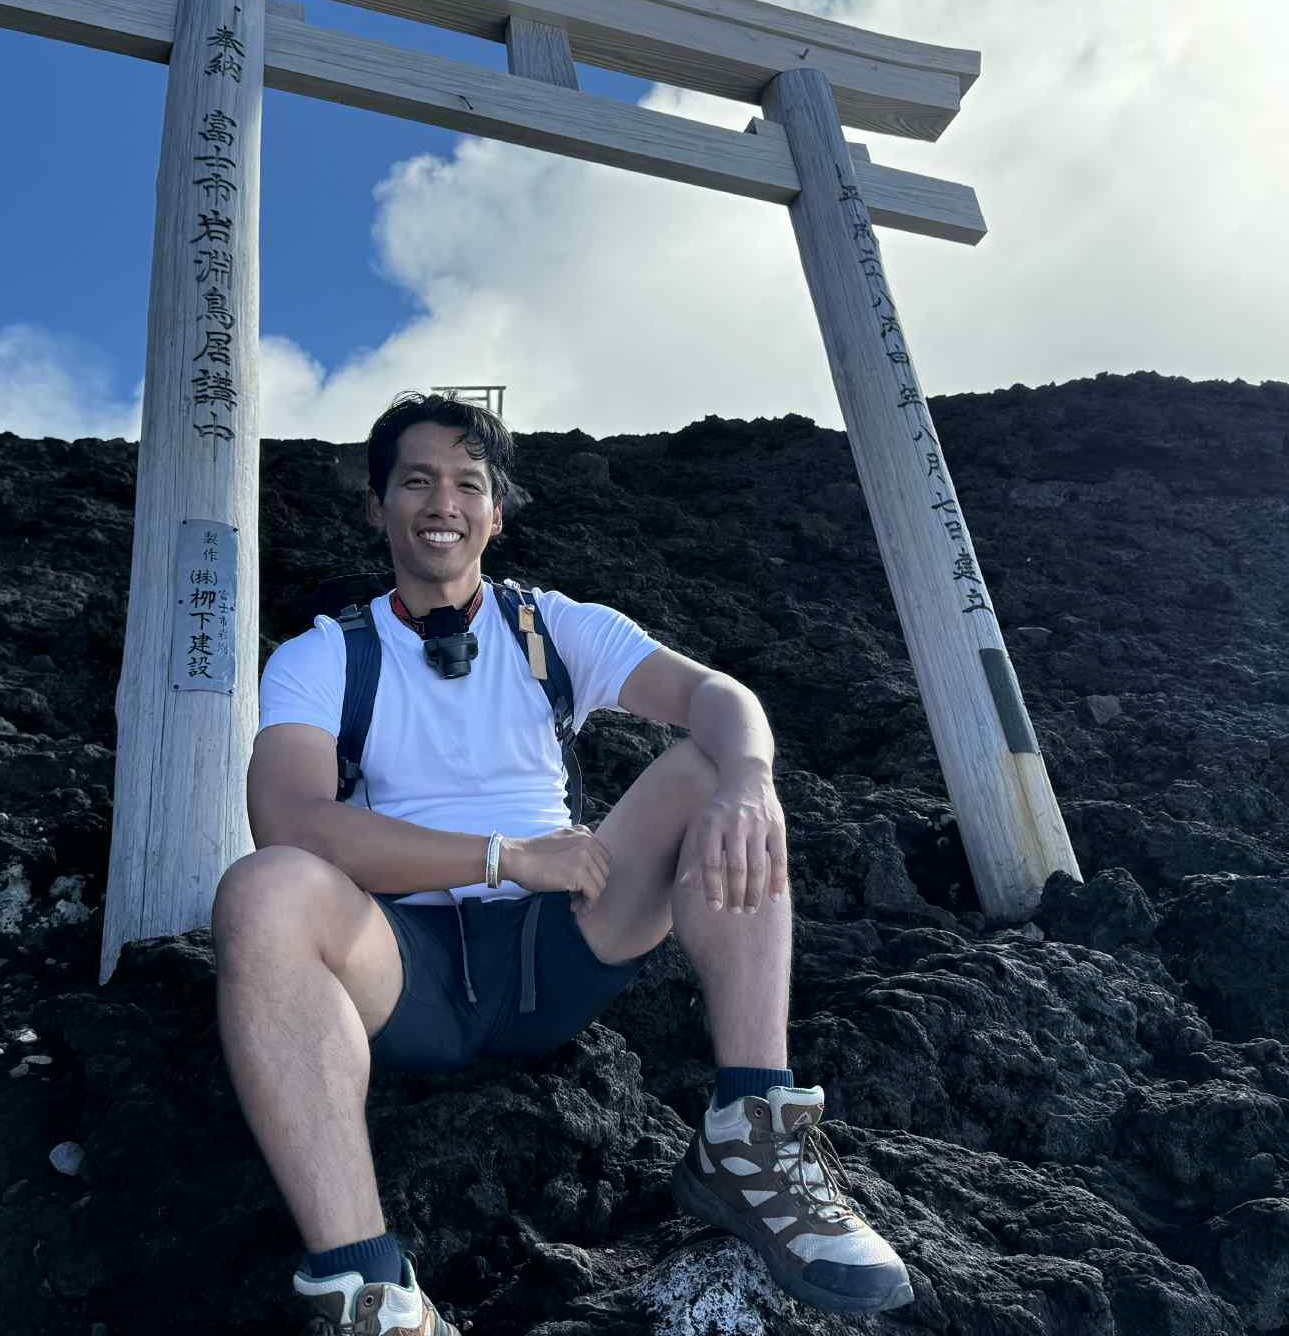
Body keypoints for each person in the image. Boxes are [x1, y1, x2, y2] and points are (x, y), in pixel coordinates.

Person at [213, 392, 912, 1332]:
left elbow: (717, 695)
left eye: (468, 483)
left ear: (497, 513)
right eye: (415, 481)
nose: (442, 503)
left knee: (715, 770)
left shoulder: (552, 628)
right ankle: (368, 1289)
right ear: (378, 504)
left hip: (562, 952)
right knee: (263, 890)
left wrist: (752, 781)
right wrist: (504, 858)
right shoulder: (323, 656)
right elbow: (290, 820)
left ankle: (749, 1138)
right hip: (405, 968)